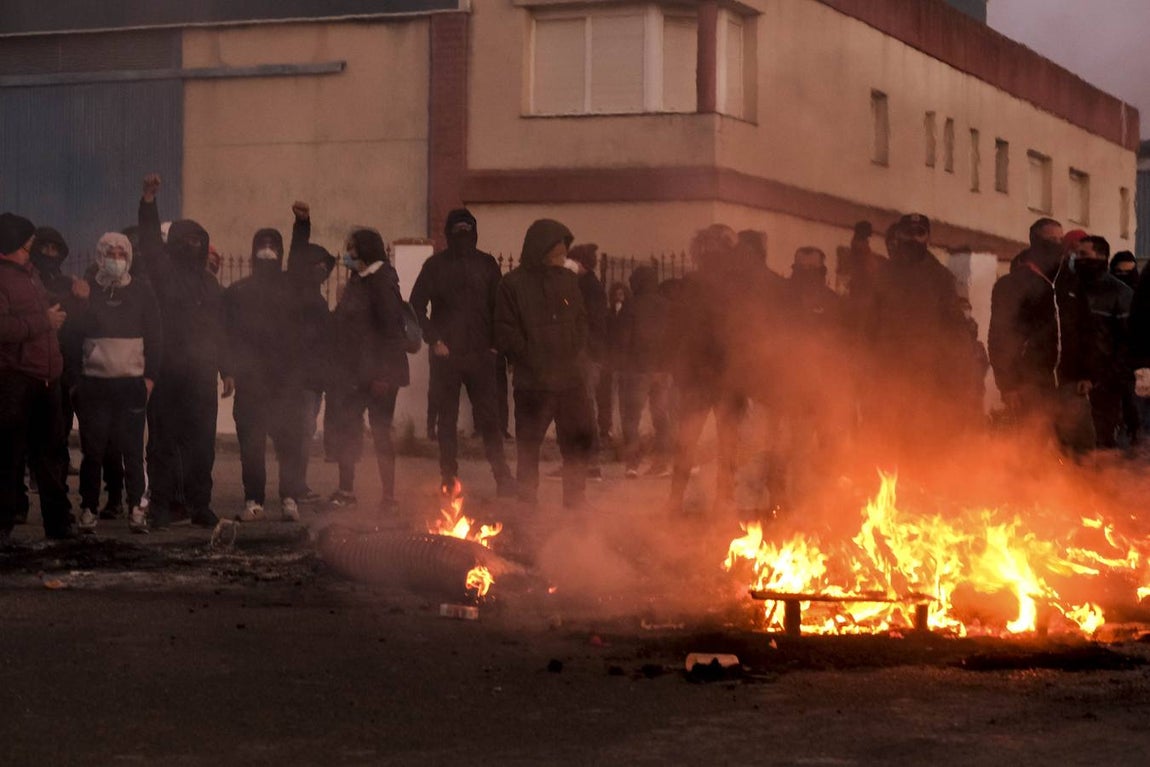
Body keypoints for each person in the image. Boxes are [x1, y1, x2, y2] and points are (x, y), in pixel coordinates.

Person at [137, 173, 226, 529]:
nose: (194, 246)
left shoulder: (211, 284)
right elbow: (147, 243)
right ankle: (160, 505)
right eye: (187, 240)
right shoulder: (163, 274)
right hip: (168, 373)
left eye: (198, 240)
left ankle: (199, 505)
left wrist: (227, 368)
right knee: (162, 444)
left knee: (202, 445)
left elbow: (221, 331)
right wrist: (148, 201)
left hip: (202, 376)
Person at [410, 209, 514, 497]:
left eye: (468, 230)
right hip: (447, 357)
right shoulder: (435, 266)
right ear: (449, 233)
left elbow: (500, 307)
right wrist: (435, 339)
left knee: (490, 421)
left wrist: (495, 345)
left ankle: (502, 476)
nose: (463, 236)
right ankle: (448, 476)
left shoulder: (487, 264)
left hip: (481, 355)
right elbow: (416, 305)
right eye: (458, 230)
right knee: (447, 419)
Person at [67, 233, 162, 534]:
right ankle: (88, 507)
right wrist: (74, 382)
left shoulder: (142, 292)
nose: (117, 258)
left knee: (133, 450)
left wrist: (150, 378)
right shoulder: (87, 291)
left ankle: (137, 508)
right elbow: (72, 336)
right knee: (93, 452)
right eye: (111, 252)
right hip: (94, 383)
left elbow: (156, 337)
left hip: (130, 383)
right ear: (99, 255)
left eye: (122, 253)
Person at [494, 219, 593, 509]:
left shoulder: (567, 281)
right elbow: (505, 331)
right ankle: (527, 501)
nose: (563, 254)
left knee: (576, 440)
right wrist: (531, 357)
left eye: (564, 248)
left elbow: (580, 321)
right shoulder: (512, 284)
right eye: (557, 248)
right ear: (541, 248)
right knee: (529, 446)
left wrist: (573, 351)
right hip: (533, 383)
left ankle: (575, 500)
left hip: (569, 380)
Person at [988, 218, 1098, 453]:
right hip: (1031, 387)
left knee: (1081, 453)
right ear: (1035, 243)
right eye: (1050, 241)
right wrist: (1008, 385)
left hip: (1070, 386)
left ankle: (1085, 490)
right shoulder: (1012, 285)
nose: (1058, 245)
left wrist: (1088, 373)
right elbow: (1000, 338)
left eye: (1061, 239)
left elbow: (1086, 329)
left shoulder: (1070, 283)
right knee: (1032, 454)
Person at [222, 218, 307, 522]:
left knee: (290, 445)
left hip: (287, 383)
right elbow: (226, 336)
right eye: (263, 246)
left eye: (274, 247)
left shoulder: (293, 290)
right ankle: (253, 499)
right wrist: (228, 372)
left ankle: (289, 498)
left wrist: (302, 225)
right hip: (250, 382)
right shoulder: (237, 293)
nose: (268, 253)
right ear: (253, 251)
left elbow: (300, 259)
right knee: (252, 445)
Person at [865, 213, 970, 451]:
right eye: (908, 233)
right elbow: (867, 323)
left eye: (919, 233)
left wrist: (958, 378)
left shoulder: (941, 278)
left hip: (928, 377)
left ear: (928, 237)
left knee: (923, 443)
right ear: (899, 235)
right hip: (886, 374)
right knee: (884, 442)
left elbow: (955, 330)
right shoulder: (882, 275)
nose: (913, 238)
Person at [0, 213, 74, 544]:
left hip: (46, 377)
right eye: (27, 245)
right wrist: (43, 321)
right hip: (16, 380)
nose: (32, 250)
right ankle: (3, 522)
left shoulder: (31, 274)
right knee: (9, 455)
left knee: (51, 455)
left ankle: (59, 524)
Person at [326, 227, 411, 514]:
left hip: (378, 377)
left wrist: (383, 376)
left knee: (381, 432)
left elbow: (391, 333)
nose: (348, 255)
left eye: (353, 249)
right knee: (348, 429)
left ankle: (389, 497)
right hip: (354, 374)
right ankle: (346, 490)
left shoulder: (382, 282)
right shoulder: (357, 281)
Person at [284, 201, 333, 505]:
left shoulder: (316, 296)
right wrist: (303, 223)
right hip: (299, 377)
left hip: (314, 379)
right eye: (319, 266)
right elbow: (297, 252)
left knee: (305, 432)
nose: (323, 272)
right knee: (300, 433)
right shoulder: (296, 289)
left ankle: (296, 484)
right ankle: (295, 486)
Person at [1074, 235, 1133, 448]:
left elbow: (1127, 344)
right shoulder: (1074, 290)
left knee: (1104, 442)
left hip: (1107, 385)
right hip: (1074, 382)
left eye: (1083, 254)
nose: (1077, 259)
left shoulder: (1120, 294)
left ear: (1101, 257)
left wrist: (1099, 379)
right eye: (1076, 254)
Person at [617, 265, 671, 478]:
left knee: (631, 417)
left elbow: (623, 339)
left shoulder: (631, 306)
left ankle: (632, 464)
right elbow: (673, 338)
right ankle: (662, 462)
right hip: (662, 370)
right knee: (661, 417)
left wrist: (619, 363)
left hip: (637, 368)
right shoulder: (667, 306)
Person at [599, 280, 629, 441]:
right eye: (616, 294)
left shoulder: (629, 313)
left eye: (621, 294)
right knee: (608, 397)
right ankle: (607, 427)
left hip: (622, 361)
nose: (619, 298)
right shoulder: (608, 313)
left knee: (621, 397)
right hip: (610, 360)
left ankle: (619, 428)